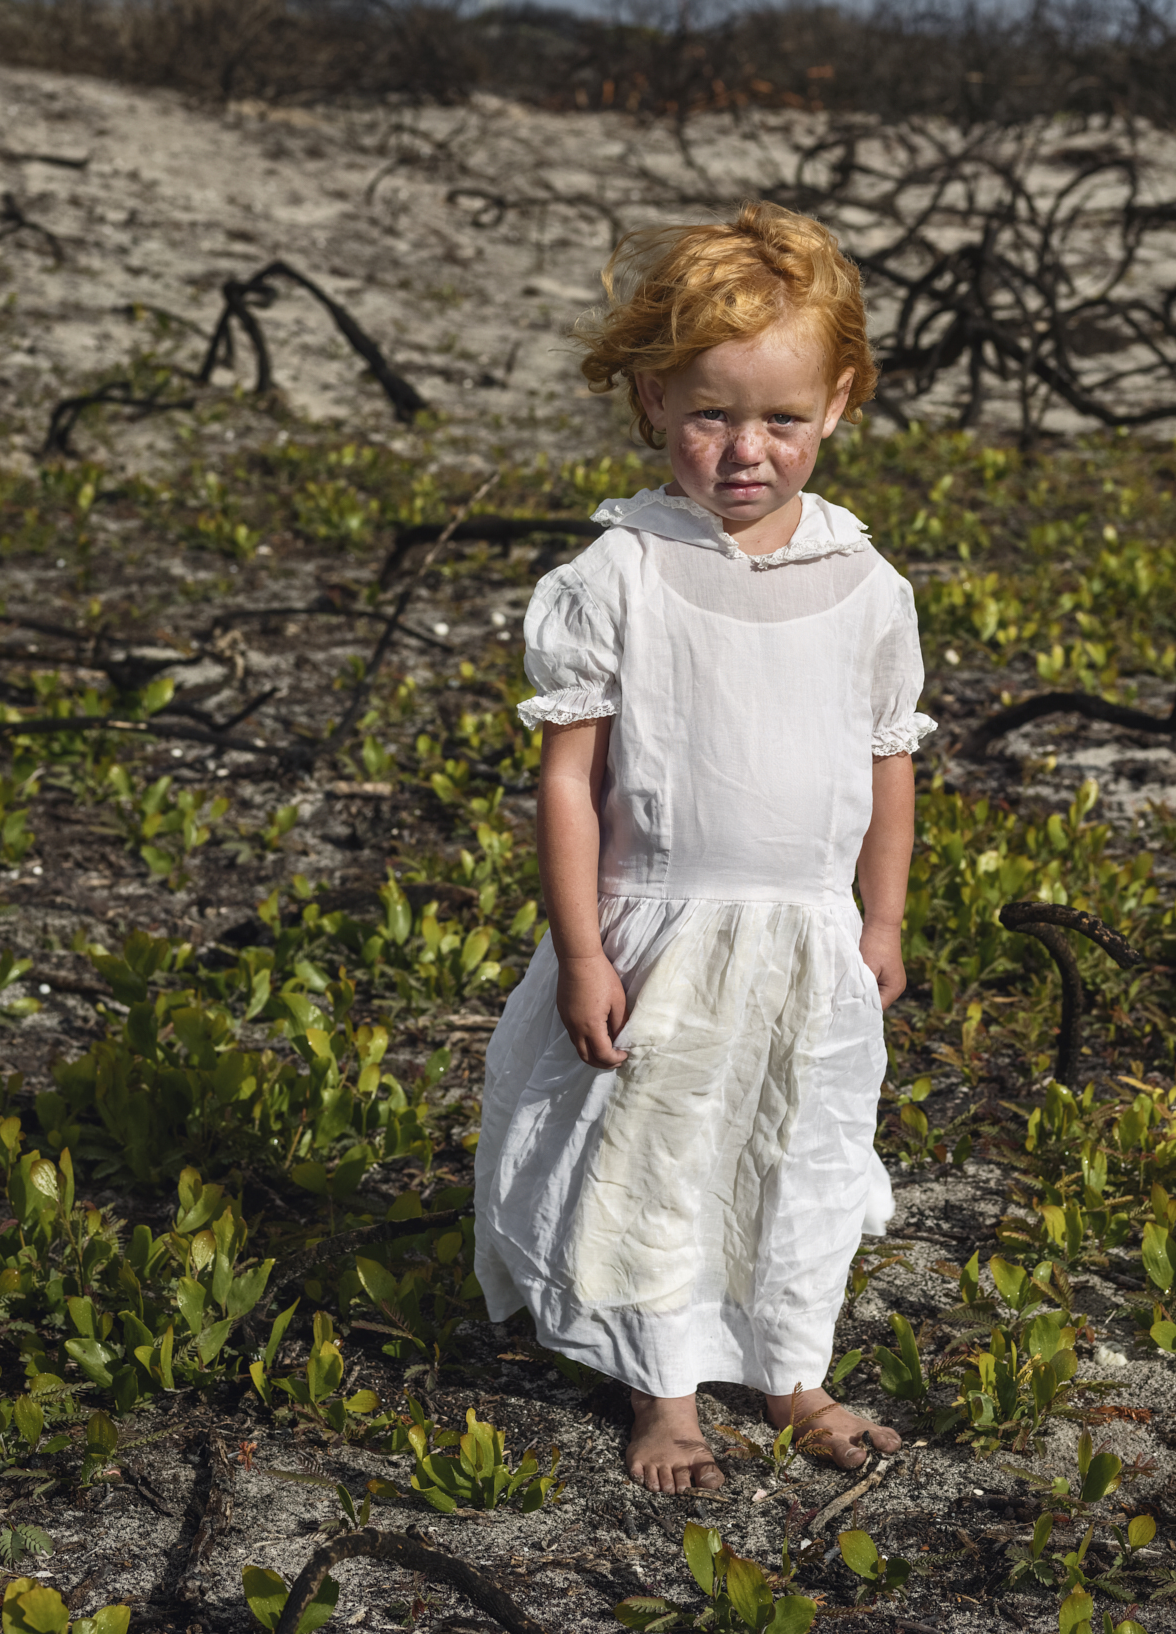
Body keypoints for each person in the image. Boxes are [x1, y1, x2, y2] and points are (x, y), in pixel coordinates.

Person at [471, 201, 935, 1494]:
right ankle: (664, 1392)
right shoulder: (618, 571)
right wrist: (580, 948)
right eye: (709, 414)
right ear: (649, 398)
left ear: (840, 402)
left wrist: (880, 921)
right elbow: (571, 780)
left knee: (797, 1144)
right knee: (654, 1158)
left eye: (781, 417)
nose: (744, 450)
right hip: (659, 922)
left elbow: (887, 763)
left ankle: (788, 1365)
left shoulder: (868, 581)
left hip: (805, 932)